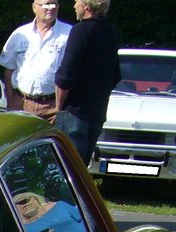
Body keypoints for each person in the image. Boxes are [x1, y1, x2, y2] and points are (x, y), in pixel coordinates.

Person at [54, 0, 120, 164]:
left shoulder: (81, 30)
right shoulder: (111, 32)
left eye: (77, 2)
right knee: (81, 169)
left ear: (87, 7)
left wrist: (58, 109)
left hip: (75, 112)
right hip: (97, 112)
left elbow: (66, 76)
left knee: (66, 167)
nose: (74, 5)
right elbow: (115, 76)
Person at [0, 0, 72, 123]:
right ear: (34, 7)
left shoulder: (68, 33)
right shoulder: (20, 33)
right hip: (22, 105)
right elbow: (8, 70)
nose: (50, 8)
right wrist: (11, 103)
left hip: (53, 108)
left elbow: (73, 71)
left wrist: (59, 108)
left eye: (54, 4)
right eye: (46, 4)